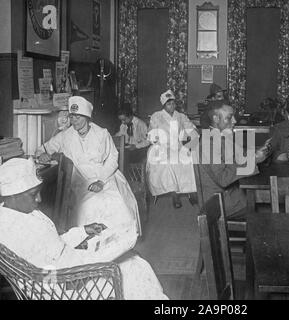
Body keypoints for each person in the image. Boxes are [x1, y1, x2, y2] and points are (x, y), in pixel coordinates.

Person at [0, 158, 167, 300]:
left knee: (134, 261)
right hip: (62, 287)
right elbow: (51, 271)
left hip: (66, 272)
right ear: (13, 194)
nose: (39, 199)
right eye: (33, 194)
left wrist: (83, 232)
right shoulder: (15, 228)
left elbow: (53, 246)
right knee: (133, 267)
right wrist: (99, 258)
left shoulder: (16, 213)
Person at [36, 96, 141, 234]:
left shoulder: (102, 134)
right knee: (88, 205)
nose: (74, 121)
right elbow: (42, 149)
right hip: (79, 179)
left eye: (78, 117)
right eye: (72, 117)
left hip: (105, 176)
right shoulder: (65, 136)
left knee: (114, 202)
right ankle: (91, 241)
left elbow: (112, 159)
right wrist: (43, 154)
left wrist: (101, 181)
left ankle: (117, 241)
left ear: (87, 117)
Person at [197, 100, 270, 220]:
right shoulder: (208, 144)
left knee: (270, 201)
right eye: (229, 117)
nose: (235, 121)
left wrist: (257, 152)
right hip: (220, 203)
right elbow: (223, 178)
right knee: (271, 209)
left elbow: (238, 156)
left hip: (231, 194)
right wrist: (254, 160)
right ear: (215, 119)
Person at [147, 90, 199, 209]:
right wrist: (154, 137)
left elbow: (189, 127)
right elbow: (151, 132)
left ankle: (191, 191)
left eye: (173, 103)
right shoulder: (157, 116)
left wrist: (194, 132)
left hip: (178, 146)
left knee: (190, 160)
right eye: (169, 104)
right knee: (170, 162)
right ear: (164, 105)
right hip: (161, 147)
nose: (172, 106)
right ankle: (175, 194)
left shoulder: (180, 116)